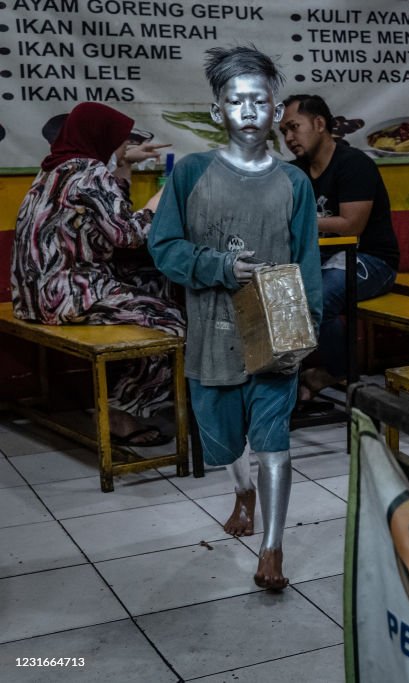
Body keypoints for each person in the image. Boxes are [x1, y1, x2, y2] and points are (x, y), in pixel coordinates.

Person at [148, 46, 322, 590]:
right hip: (211, 334)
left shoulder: (295, 184)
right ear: (218, 111)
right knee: (222, 441)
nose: (249, 110)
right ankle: (241, 489)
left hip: (275, 333)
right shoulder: (193, 173)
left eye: (260, 100)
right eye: (235, 100)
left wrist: (308, 325)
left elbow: (307, 260)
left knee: (273, 436)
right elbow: (164, 247)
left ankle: (272, 549)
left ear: (275, 110)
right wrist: (220, 266)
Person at [11, 102, 183, 446]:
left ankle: (135, 392)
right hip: (67, 293)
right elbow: (128, 236)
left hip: (32, 295)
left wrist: (122, 163)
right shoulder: (90, 172)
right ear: (101, 136)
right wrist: (160, 201)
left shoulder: (53, 170)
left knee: (155, 284)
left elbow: (108, 215)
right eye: (120, 140)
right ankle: (121, 410)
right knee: (172, 322)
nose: (123, 145)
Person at [278, 94, 400, 406]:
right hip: (323, 259)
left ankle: (339, 373)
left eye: (294, 127)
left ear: (320, 124)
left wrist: (300, 220)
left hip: (372, 261)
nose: (289, 138)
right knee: (275, 292)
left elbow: (351, 225)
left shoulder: (354, 164)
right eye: (284, 132)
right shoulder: (296, 172)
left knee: (315, 295)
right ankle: (285, 384)